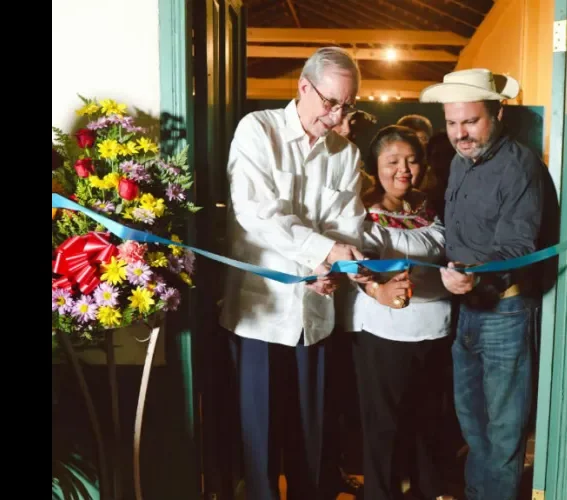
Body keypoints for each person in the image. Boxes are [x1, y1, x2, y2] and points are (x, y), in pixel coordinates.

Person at [219, 46, 372, 500]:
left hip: (315, 316)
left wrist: (335, 269)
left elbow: (348, 222)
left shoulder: (346, 154)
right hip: (259, 315)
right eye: (331, 102)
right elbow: (257, 214)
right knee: (260, 443)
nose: (338, 114)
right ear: (304, 87)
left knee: (313, 439)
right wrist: (323, 251)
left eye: (348, 105)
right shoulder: (257, 131)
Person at [419, 68, 549, 500]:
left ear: (497, 113)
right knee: (474, 429)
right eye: (452, 123)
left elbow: (517, 245)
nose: (460, 133)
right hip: (468, 311)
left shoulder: (520, 165)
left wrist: (473, 272)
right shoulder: (459, 162)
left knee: (504, 435)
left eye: (470, 121)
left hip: (506, 314)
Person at [347, 125, 456, 500]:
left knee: (428, 428)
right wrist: (376, 287)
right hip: (384, 334)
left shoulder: (431, 207)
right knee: (384, 431)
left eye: (411, 161)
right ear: (374, 167)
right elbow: (349, 266)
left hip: (436, 330)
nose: (403, 170)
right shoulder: (361, 214)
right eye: (392, 162)